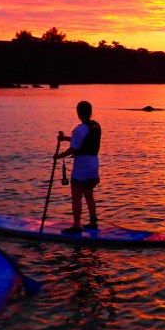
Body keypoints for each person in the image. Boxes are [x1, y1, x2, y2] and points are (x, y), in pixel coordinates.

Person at [56, 100, 101, 234]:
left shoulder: (79, 129)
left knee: (76, 195)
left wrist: (59, 156)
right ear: (90, 112)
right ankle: (93, 222)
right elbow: (82, 141)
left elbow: (74, 149)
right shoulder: (95, 126)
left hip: (82, 167)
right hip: (93, 164)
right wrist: (65, 138)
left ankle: (76, 225)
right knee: (88, 194)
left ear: (78, 113)